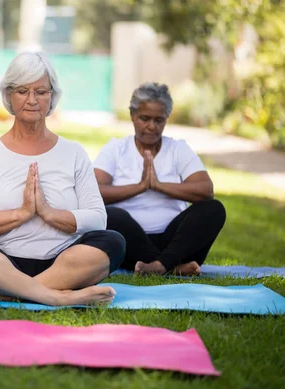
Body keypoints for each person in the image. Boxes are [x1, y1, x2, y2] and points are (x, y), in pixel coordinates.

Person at [0, 52, 125, 307]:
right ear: (9, 95)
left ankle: (6, 293)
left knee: (113, 241)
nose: (32, 100)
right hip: (1, 261)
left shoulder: (73, 153)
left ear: (52, 96)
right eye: (22, 91)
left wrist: (49, 213)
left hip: (63, 261)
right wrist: (22, 213)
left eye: (41, 92)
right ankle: (56, 296)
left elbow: (97, 217)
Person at [93, 83, 226, 276]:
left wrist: (158, 185)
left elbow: (206, 190)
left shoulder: (178, 149)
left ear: (166, 119)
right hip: (130, 241)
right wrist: (140, 187)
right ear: (132, 115)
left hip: (177, 243)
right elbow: (94, 192)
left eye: (159, 120)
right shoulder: (115, 149)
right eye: (144, 118)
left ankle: (160, 265)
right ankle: (172, 267)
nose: (151, 126)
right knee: (110, 215)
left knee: (213, 208)